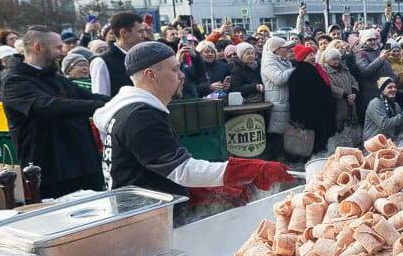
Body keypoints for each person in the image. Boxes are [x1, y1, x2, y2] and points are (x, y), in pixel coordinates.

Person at [92, 42, 293, 217]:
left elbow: (157, 168)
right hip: (146, 221)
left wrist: (201, 190)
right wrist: (251, 170)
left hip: (152, 210)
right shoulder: (139, 116)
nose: (181, 76)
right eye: (174, 69)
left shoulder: (137, 110)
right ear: (151, 75)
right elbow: (182, 169)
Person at [2, 28, 110, 198]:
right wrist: (99, 106)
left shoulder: (54, 75)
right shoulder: (15, 81)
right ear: (38, 48)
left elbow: (85, 96)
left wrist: (120, 100)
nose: (62, 52)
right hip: (52, 169)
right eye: (58, 48)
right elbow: (50, 107)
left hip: (83, 162)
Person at [285, 44, 336, 157]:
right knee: (313, 139)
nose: (313, 57)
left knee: (320, 137)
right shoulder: (299, 73)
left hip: (320, 111)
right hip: (311, 113)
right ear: (303, 58)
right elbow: (296, 97)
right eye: (309, 55)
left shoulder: (316, 68)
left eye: (313, 54)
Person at [90, 12, 147, 97]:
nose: (144, 35)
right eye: (140, 31)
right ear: (124, 33)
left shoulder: (144, 56)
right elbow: (101, 100)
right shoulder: (101, 63)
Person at [260, 36, 295, 159]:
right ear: (277, 50)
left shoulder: (284, 61)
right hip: (276, 102)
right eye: (285, 48)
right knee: (277, 133)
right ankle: (278, 159)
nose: (288, 50)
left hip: (285, 101)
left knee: (285, 131)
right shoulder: (268, 61)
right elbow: (279, 78)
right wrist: (294, 69)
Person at [320, 46, 359, 147]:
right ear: (328, 60)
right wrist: (345, 95)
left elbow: (353, 81)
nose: (337, 61)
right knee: (340, 125)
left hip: (351, 100)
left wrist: (354, 92)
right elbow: (330, 87)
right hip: (339, 103)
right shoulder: (325, 71)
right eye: (334, 59)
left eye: (338, 58)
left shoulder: (345, 69)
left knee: (352, 124)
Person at [364, 76, 403, 142]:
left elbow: (399, 125)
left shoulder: (396, 105)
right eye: (389, 87)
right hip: (373, 142)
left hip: (388, 142)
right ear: (383, 90)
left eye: (395, 87)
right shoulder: (375, 103)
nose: (393, 89)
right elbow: (384, 124)